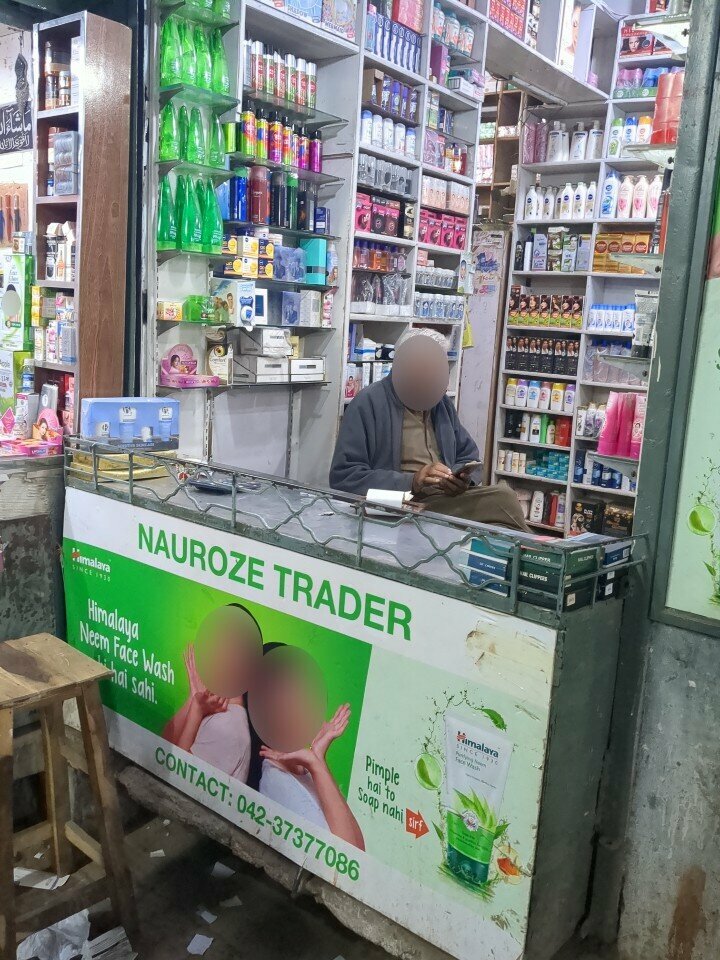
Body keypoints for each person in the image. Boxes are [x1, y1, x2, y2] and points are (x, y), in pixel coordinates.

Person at [329, 329, 529, 531]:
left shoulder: (441, 404)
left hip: (443, 498)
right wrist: (412, 481)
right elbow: (344, 477)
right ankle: (538, 548)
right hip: (402, 504)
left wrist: (460, 480)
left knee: (502, 514)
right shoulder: (369, 403)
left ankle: (533, 547)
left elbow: (468, 455)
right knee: (503, 501)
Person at [248, 643, 365, 850]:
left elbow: (360, 843)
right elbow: (349, 855)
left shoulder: (305, 766)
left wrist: (319, 760)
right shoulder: (276, 782)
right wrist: (316, 764)